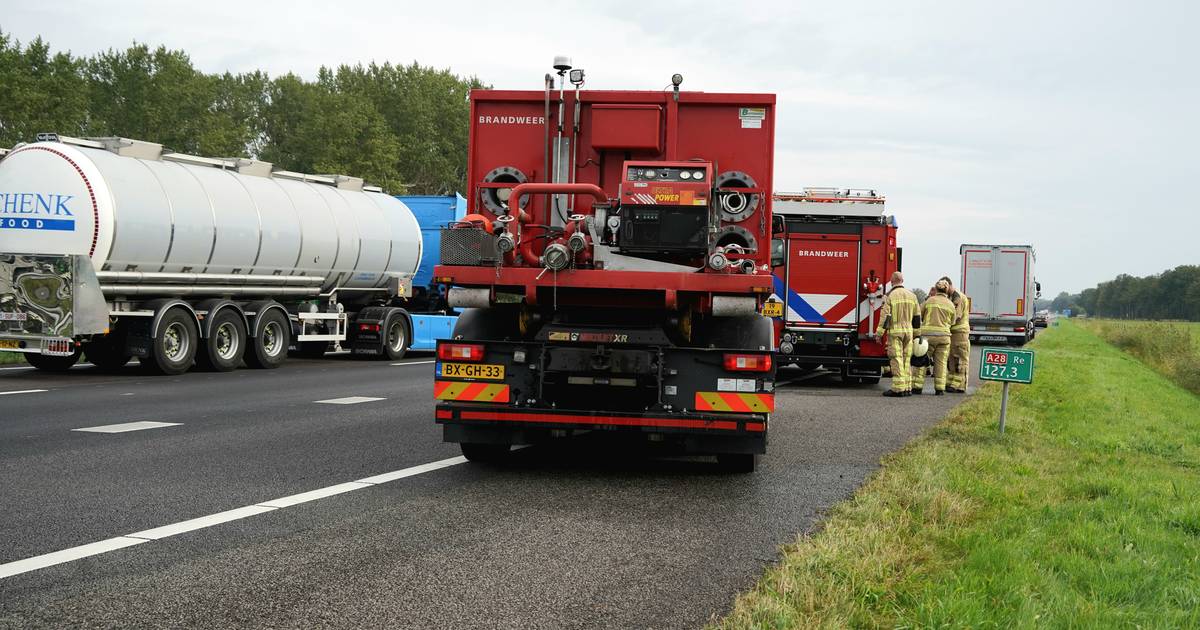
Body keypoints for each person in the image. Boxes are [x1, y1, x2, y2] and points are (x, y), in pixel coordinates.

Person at [874, 271, 920, 397]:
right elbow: (917, 318)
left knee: (896, 359)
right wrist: (917, 334)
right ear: (902, 281)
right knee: (906, 360)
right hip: (909, 333)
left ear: (892, 281)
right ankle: (907, 388)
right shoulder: (912, 296)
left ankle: (898, 389)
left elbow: (885, 317)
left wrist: (879, 333)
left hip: (895, 333)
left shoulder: (890, 296)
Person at [912, 282, 955, 395]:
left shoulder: (929, 301)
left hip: (927, 337)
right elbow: (953, 321)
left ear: (936, 289)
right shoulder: (950, 304)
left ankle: (917, 387)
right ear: (946, 290)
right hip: (944, 338)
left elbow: (919, 314)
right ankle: (939, 389)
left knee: (922, 361)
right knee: (941, 363)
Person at [943, 276, 971, 393]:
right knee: (952, 359)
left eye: (945, 288)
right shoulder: (951, 296)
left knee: (960, 359)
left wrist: (943, 323)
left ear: (949, 285)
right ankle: (951, 383)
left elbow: (956, 317)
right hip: (953, 332)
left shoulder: (958, 297)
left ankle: (959, 385)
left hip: (960, 332)